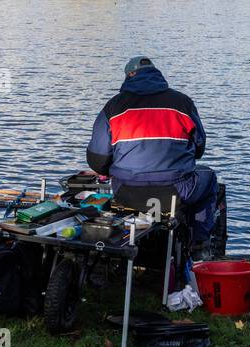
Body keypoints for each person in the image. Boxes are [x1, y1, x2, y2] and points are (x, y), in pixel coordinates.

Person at [86, 56, 217, 257]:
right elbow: (200, 148)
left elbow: (97, 160)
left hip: (125, 191)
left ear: (129, 76)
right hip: (175, 190)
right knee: (209, 179)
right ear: (157, 74)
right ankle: (200, 246)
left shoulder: (113, 107)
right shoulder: (182, 103)